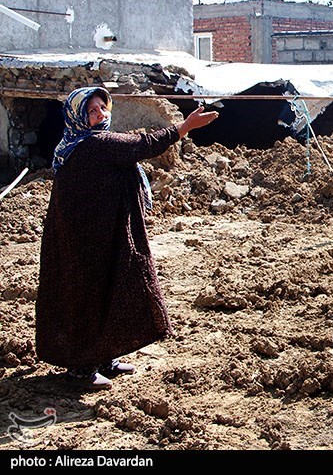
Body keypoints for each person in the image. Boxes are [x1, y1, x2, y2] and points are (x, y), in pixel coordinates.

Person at [36, 87, 218, 390]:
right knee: (89, 294)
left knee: (112, 287)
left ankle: (105, 357)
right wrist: (184, 127)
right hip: (86, 240)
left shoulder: (74, 145)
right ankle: (81, 368)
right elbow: (144, 144)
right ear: (78, 116)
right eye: (91, 111)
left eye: (102, 108)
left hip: (101, 232)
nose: (100, 114)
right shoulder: (95, 144)